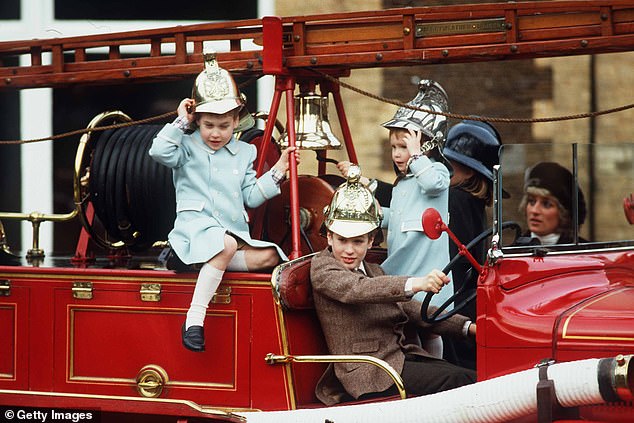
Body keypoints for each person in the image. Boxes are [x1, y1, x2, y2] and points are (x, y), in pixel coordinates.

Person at [149, 53, 298, 352]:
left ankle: (197, 264)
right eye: (208, 125)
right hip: (196, 229)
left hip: (231, 235)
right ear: (197, 120)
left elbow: (251, 196)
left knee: (271, 256)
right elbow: (158, 152)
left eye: (224, 125)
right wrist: (181, 121)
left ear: (236, 121)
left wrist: (278, 170)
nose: (216, 133)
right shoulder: (185, 146)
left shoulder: (245, 152)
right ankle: (194, 319)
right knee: (225, 245)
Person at [311, 166, 476, 406]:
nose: (349, 250)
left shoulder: (373, 270)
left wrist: (468, 327)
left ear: (370, 241)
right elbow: (358, 289)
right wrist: (417, 283)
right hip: (368, 373)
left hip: (397, 360)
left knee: (470, 376)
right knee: (461, 380)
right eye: (342, 240)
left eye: (357, 241)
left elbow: (413, 311)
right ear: (329, 237)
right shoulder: (323, 268)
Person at [440, 118, 505, 370]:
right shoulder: (471, 201)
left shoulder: (455, 199)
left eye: (449, 163)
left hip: (454, 307)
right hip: (470, 304)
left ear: (468, 170)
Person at [517, 162, 587, 245]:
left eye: (546, 204)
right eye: (531, 201)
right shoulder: (512, 250)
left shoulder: (584, 251)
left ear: (564, 214)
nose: (534, 211)